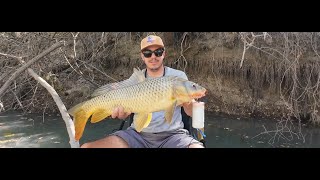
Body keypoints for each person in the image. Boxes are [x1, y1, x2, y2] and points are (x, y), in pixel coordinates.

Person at [81, 35, 205, 148]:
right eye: (147, 53)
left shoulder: (178, 76)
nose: (153, 57)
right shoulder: (136, 79)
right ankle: (84, 112)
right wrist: (122, 114)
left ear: (164, 54)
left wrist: (190, 104)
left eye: (158, 52)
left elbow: (190, 113)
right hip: (137, 135)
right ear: (142, 56)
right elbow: (125, 113)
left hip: (173, 136)